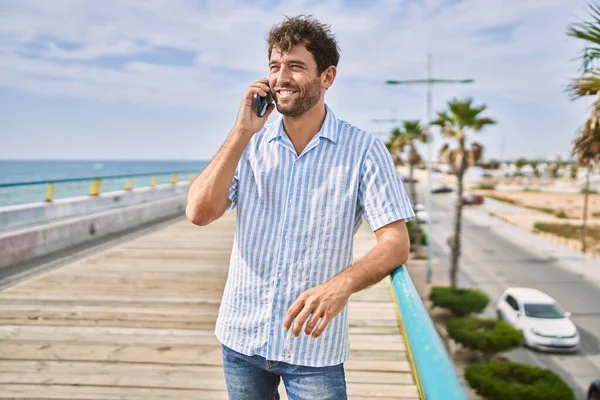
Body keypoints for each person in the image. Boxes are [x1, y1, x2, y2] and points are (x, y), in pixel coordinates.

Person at [186, 15, 414, 400]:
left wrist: (339, 287)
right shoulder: (250, 144)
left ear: (327, 77)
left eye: (295, 66)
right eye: (274, 66)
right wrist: (242, 131)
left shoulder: (364, 151)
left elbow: (395, 243)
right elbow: (199, 212)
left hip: (313, 348)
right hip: (242, 339)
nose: (281, 77)